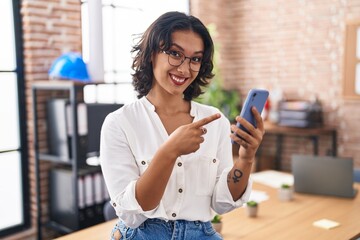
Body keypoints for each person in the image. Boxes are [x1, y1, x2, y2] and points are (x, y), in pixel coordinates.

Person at [100, 11, 265, 240]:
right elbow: (133, 214)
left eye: (195, 59)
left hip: (202, 233)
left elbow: (222, 203)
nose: (185, 69)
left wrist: (246, 159)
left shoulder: (214, 120)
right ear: (151, 54)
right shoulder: (119, 123)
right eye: (175, 54)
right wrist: (170, 151)